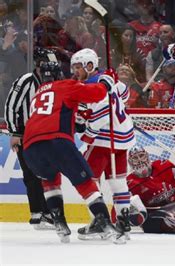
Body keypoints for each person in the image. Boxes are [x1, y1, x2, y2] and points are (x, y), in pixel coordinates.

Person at [21, 61, 126, 244]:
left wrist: (78, 123)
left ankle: (60, 223)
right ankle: (106, 225)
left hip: (30, 146)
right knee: (86, 183)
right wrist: (107, 81)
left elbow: (60, 114)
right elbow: (97, 94)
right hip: (56, 140)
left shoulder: (37, 95)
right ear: (60, 75)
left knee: (50, 180)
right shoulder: (66, 85)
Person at [70, 48, 135, 240]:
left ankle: (99, 224)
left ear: (90, 66)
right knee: (118, 181)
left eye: (79, 67)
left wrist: (87, 135)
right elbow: (124, 93)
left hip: (103, 139)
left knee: (88, 181)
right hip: (122, 138)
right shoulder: (108, 79)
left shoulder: (92, 85)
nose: (76, 71)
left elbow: (102, 113)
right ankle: (123, 224)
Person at [3, 47, 56, 230]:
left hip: (47, 135)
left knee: (47, 174)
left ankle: (48, 211)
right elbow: (11, 106)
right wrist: (15, 133)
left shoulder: (55, 82)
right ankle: (38, 213)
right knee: (31, 174)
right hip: (25, 133)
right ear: (40, 64)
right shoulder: (26, 81)